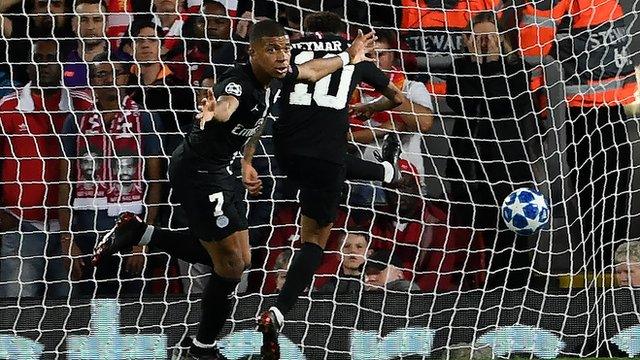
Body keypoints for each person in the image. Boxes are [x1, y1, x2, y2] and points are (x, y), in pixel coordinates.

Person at [92, 20, 377, 359]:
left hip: (221, 169)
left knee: (239, 261)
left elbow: (313, 71)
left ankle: (139, 232)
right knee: (229, 266)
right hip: (197, 171)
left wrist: (349, 55)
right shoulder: (238, 83)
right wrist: (215, 113)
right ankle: (203, 346)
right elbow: (228, 107)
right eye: (272, 49)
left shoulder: (276, 76)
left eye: (285, 48)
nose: (283, 56)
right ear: (252, 52)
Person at [254, 12, 407, 359]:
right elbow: (397, 99)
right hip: (326, 158)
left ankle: (384, 171)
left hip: (285, 155)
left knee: (330, 165)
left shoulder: (288, 52)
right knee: (314, 243)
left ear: (308, 30)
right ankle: (277, 312)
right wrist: (371, 107)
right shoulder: (353, 56)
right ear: (342, 33)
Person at [519, 0, 634, 274]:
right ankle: (598, 265)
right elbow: (533, 50)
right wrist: (543, 107)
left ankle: (613, 264)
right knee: (594, 194)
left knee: (617, 190)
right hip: (578, 111)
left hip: (615, 108)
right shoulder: (549, 5)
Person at [58, 54, 164, 296]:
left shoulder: (145, 118)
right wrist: (67, 240)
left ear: (126, 77)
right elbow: (65, 181)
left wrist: (143, 242)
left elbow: (155, 182)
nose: (108, 79)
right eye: (100, 74)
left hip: (130, 229)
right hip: (86, 229)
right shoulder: (75, 121)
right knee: (88, 304)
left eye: (115, 73)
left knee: (132, 307)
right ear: (92, 81)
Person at [445, 11, 537, 288]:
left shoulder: (517, 68)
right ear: (467, 40)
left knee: (514, 223)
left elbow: (505, 102)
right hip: (468, 159)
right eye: (478, 36)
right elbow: (463, 103)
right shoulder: (458, 68)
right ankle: (478, 282)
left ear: (502, 39)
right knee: (476, 224)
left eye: (490, 37)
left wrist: (493, 62)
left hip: (508, 160)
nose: (484, 42)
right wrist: (476, 63)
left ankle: (517, 282)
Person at [0, 40, 93, 298]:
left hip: (73, 228)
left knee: (67, 313)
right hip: (22, 226)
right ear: (29, 65)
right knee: (17, 310)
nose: (45, 65)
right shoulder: (7, 107)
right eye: (39, 59)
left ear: (62, 64)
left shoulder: (83, 105)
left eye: (51, 58)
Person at [64, 0, 110, 88]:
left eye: (97, 20)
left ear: (107, 25)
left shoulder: (121, 64)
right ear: (73, 24)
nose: (90, 27)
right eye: (83, 20)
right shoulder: (60, 65)